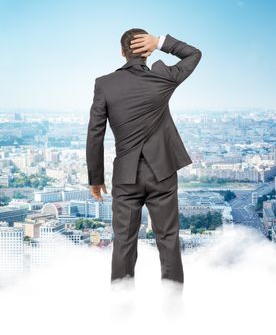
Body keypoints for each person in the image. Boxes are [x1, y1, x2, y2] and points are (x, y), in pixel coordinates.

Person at [86, 28, 202, 284]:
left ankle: (121, 306)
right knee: (168, 239)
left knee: (124, 242)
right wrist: (160, 42)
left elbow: (95, 134)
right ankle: (174, 306)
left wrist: (96, 179)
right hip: (162, 172)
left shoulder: (104, 84)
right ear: (147, 51)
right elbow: (194, 54)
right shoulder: (162, 78)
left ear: (121, 52)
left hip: (126, 176)